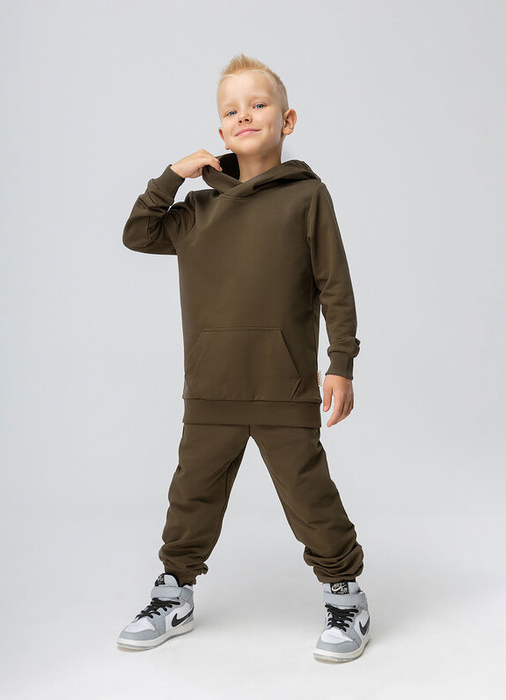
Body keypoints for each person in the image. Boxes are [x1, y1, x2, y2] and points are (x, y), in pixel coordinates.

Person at [117, 53, 371, 663]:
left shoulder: (307, 196)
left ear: (287, 120)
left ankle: (345, 594)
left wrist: (340, 362)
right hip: (212, 384)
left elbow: (335, 285)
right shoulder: (196, 211)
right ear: (220, 130)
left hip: (283, 384)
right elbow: (138, 233)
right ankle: (173, 592)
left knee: (309, 496)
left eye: (258, 104)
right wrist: (171, 176)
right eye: (231, 110)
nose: (245, 115)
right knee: (192, 496)